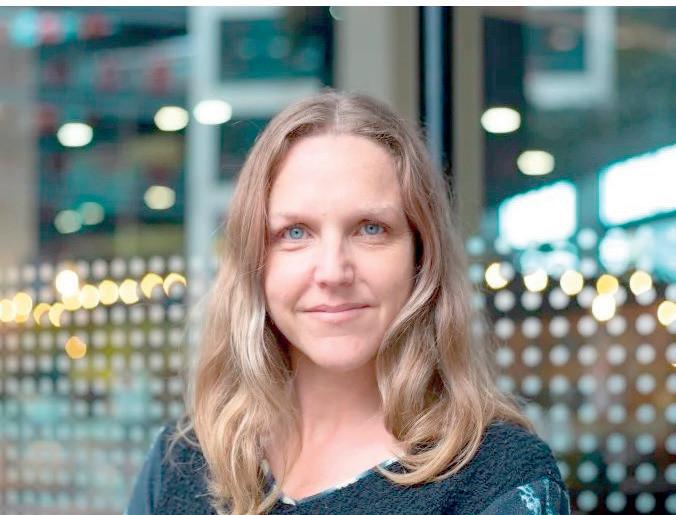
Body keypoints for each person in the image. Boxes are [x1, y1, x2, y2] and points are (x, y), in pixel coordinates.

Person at [126, 90, 570, 514]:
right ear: (254, 262)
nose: (333, 271)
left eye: (370, 228)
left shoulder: (499, 479)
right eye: (295, 233)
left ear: (421, 255)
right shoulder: (180, 464)